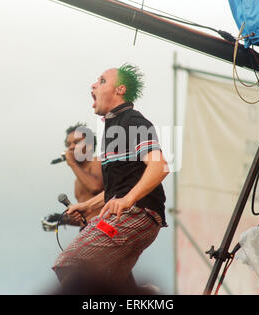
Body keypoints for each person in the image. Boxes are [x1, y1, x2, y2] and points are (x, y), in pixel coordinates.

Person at [52, 63, 169, 293]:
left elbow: (160, 167)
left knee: (70, 264)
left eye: (102, 81)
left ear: (120, 90)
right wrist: (87, 205)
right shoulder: (113, 128)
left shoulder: (132, 121)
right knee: (110, 285)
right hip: (139, 216)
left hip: (137, 213)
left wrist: (127, 201)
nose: (93, 85)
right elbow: (120, 187)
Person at [62, 123, 103, 227]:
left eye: (76, 142)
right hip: (87, 230)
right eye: (68, 145)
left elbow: (95, 187)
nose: (71, 147)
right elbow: (86, 217)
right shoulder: (78, 180)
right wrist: (65, 219)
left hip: (103, 227)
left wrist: (72, 163)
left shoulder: (97, 162)